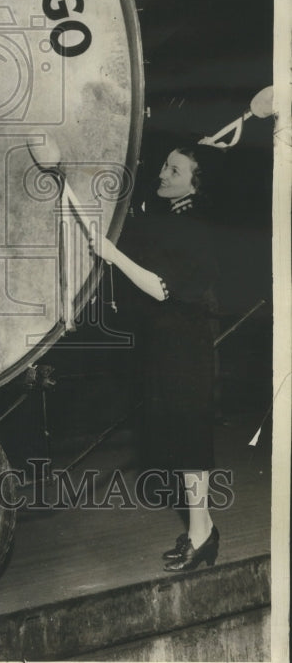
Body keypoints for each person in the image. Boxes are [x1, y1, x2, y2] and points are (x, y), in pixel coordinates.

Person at [90, 144, 220, 572]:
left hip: (189, 349)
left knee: (191, 444)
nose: (162, 173)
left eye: (174, 169)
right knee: (183, 446)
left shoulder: (196, 227)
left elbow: (161, 288)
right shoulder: (167, 217)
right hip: (166, 347)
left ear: (193, 184)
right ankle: (202, 530)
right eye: (164, 164)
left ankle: (202, 536)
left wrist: (112, 256)